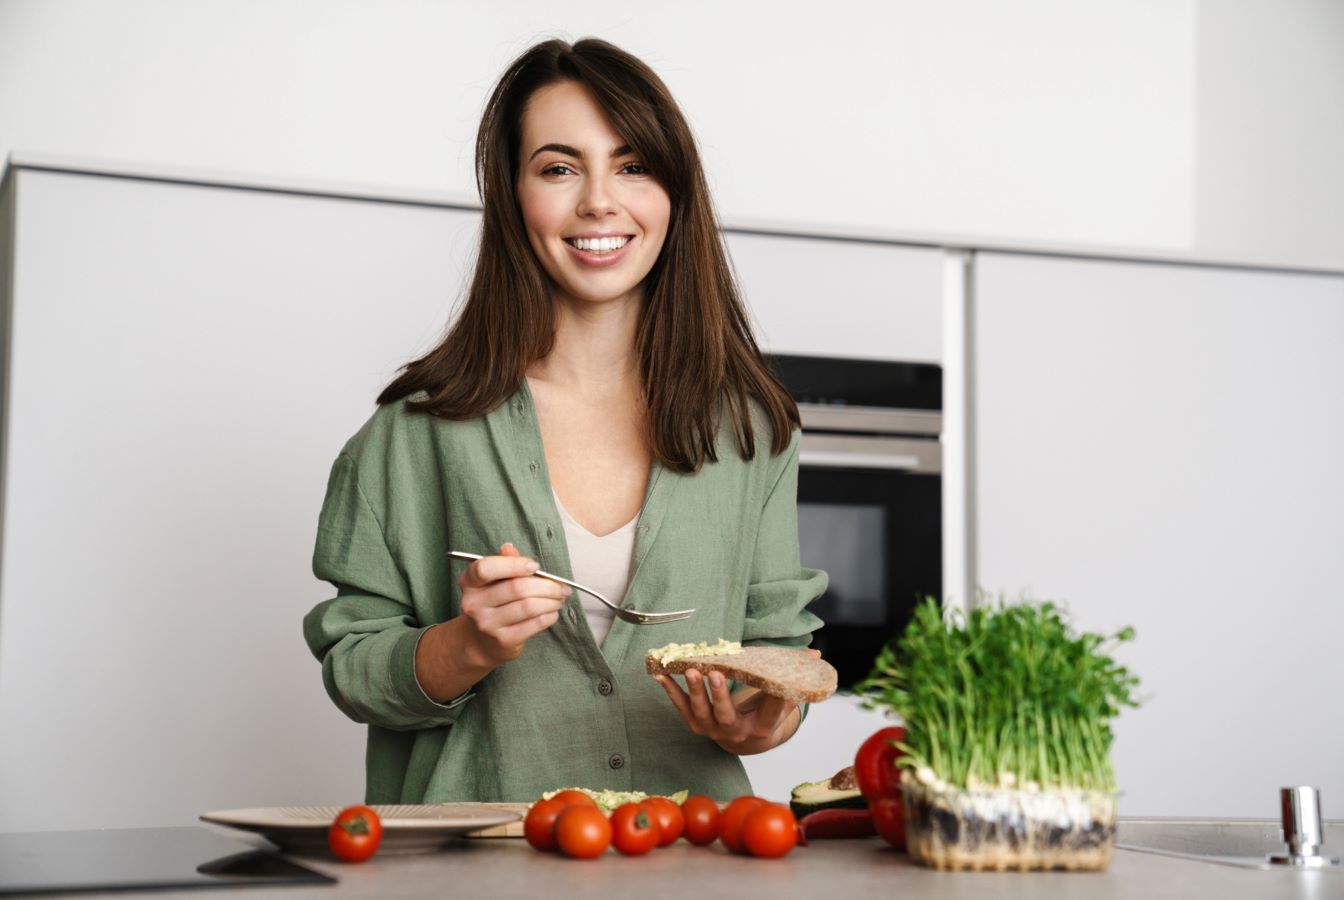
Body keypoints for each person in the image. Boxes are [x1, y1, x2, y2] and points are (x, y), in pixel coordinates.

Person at [303, 37, 826, 804]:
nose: (599, 202)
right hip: (478, 867)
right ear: (513, 195)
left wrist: (758, 724)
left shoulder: (750, 432)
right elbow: (353, 672)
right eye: (558, 167)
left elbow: (778, 654)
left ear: (674, 193)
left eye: (633, 165)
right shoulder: (413, 434)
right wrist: (467, 644)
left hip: (693, 863)